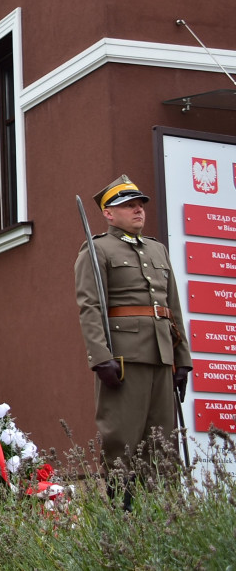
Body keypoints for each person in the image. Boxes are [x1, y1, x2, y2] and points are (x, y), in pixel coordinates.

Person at [74, 174, 192, 484]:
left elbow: (172, 309)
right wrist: (100, 357)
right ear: (109, 213)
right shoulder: (98, 249)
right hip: (124, 361)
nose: (138, 209)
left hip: (162, 357)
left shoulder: (157, 251)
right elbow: (90, 307)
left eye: (140, 204)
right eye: (128, 205)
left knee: (163, 446)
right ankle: (122, 516)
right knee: (122, 443)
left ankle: (163, 517)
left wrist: (183, 360)